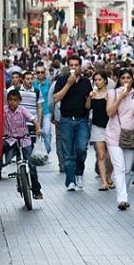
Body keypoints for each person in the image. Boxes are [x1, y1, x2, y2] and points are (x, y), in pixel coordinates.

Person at [52, 56, 93, 191]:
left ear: (80, 67)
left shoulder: (86, 82)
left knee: (82, 149)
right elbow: (56, 98)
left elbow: (88, 106)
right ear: (68, 66)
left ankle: (79, 173)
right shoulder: (61, 80)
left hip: (82, 120)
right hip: (66, 120)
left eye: (76, 65)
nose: (74, 68)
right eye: (71, 65)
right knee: (68, 153)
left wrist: (90, 99)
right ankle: (70, 181)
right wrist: (69, 84)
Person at [2, 90, 43, 200]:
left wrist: (38, 128)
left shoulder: (22, 110)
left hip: (24, 139)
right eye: (10, 100)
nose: (12, 102)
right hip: (10, 139)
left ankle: (36, 190)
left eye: (15, 100)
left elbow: (33, 119)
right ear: (7, 101)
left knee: (31, 164)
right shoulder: (3, 110)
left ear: (19, 101)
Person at [106, 69, 134, 210]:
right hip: (114, 135)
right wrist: (121, 97)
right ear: (119, 80)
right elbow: (109, 112)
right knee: (119, 167)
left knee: (128, 170)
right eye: (123, 78)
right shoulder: (113, 93)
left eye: (128, 78)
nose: (126, 80)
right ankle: (121, 199)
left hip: (130, 135)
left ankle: (125, 195)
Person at [87, 70, 113, 191]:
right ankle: (103, 181)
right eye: (95, 80)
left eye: (99, 79)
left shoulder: (110, 94)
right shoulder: (93, 94)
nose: (97, 82)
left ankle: (108, 176)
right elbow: (87, 107)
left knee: (111, 156)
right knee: (101, 155)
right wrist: (89, 97)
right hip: (97, 127)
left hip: (111, 127)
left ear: (105, 80)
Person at [33, 66, 53, 154]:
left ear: (45, 73)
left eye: (42, 72)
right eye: (38, 72)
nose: (40, 74)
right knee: (36, 132)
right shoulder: (33, 84)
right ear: (35, 74)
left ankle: (47, 150)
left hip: (46, 111)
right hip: (35, 112)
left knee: (46, 131)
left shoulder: (49, 84)